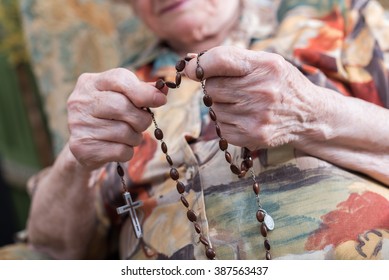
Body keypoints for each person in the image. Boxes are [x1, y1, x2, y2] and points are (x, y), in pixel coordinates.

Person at [2, 0, 389, 260]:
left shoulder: (341, 21)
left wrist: (311, 112)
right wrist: (76, 156)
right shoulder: (113, 92)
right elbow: (50, 249)